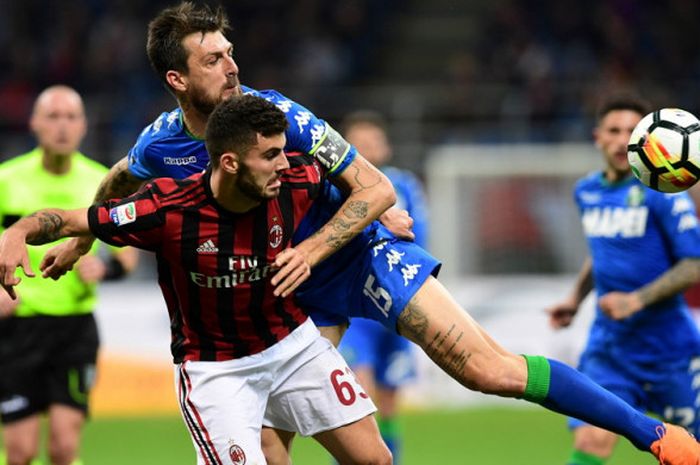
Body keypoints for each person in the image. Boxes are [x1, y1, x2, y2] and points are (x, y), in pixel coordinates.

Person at [38, 4, 700, 464]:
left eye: (232, 50)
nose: (233, 65)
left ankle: (654, 437)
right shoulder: (162, 142)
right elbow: (122, 178)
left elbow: (378, 190)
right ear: (178, 79)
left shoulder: (283, 116)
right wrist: (79, 241)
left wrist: (313, 248)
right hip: (290, 301)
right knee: (271, 443)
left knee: (487, 369)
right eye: (215, 58)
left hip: (353, 254)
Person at [0, 95, 395, 465]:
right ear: (231, 162)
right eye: (271, 155)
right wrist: (17, 234)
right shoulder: (166, 210)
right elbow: (71, 218)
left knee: (375, 459)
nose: (285, 164)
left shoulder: (295, 181)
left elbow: (365, 189)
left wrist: (382, 213)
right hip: (216, 371)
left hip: (292, 345)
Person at [546, 92, 700, 465]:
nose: (623, 139)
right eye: (614, 130)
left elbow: (694, 264)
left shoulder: (663, 191)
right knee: (592, 442)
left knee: (688, 452)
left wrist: (636, 300)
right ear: (598, 137)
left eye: (633, 130)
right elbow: (600, 252)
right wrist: (576, 298)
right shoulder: (586, 190)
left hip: (669, 350)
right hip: (610, 350)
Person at [0, 86, 138, 465]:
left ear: (83, 126)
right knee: (20, 452)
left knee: (63, 448)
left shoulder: (101, 183)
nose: (62, 126)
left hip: (74, 329)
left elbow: (128, 256)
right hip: (18, 328)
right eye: (53, 116)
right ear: (34, 124)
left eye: (71, 117)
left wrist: (105, 268)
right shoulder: (6, 180)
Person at [336, 110, 429, 463]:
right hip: (356, 308)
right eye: (358, 143)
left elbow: (422, 235)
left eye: (373, 141)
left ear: (385, 146)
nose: (368, 149)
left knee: (389, 403)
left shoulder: (404, 185)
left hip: (397, 304)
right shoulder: (338, 188)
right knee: (357, 403)